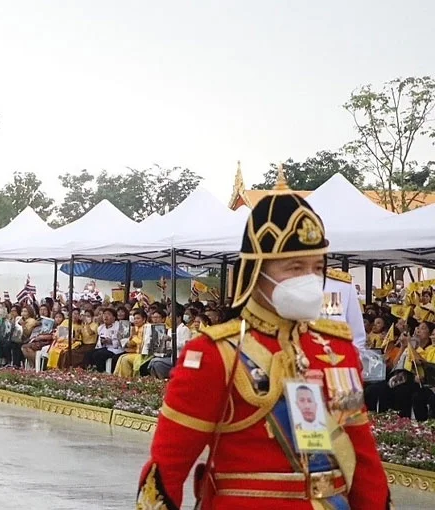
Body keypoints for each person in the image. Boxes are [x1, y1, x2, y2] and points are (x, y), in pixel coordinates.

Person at [137, 191, 390, 508]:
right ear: (257, 271)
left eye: (317, 267)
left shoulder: (336, 348)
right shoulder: (214, 354)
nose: (311, 279)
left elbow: (362, 456)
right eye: (295, 267)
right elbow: (167, 470)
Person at [88, 307, 124, 372]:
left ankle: (102, 372)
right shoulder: (101, 327)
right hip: (105, 347)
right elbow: (99, 344)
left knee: (99, 354)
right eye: (104, 314)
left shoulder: (119, 326)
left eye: (109, 314)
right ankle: (90, 370)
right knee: (89, 353)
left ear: (114, 317)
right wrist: (102, 342)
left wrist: (111, 341)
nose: (106, 316)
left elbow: (122, 341)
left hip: (116, 349)